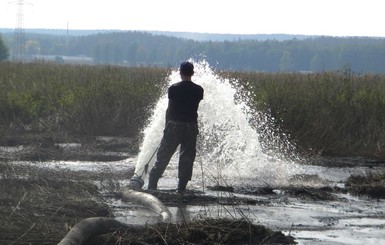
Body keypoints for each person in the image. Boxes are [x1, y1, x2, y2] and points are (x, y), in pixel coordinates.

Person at [147, 61, 204, 194]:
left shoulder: (174, 88)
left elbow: (170, 109)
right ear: (192, 73)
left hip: (174, 126)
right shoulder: (199, 90)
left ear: (180, 73)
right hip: (191, 126)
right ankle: (181, 189)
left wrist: (167, 126)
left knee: (163, 155)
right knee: (187, 157)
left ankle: (152, 186)